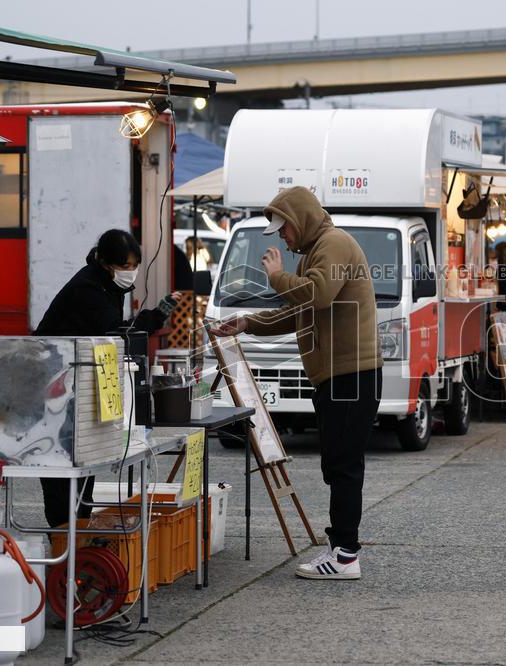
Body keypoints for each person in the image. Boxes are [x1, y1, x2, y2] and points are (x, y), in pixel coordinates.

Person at [209, 186, 381, 580]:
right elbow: (299, 312)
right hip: (340, 375)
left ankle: (345, 556)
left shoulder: (334, 244)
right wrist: (248, 323)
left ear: (299, 220)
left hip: (350, 375)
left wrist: (275, 276)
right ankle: (341, 549)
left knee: (343, 466)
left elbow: (317, 296)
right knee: (338, 464)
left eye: (283, 230)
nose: (283, 239)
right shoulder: (316, 252)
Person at [35, 229, 179, 528]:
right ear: (105, 262)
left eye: (134, 265)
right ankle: (64, 535)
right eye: (124, 266)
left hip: (79, 383)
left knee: (86, 459)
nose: (131, 272)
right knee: (61, 464)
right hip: (55, 384)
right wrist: (155, 316)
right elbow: (118, 333)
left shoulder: (107, 285)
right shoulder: (88, 287)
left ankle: (79, 531)